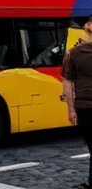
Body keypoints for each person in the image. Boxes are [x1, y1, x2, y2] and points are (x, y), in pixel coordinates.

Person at [63, 15, 92, 189]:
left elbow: (67, 82)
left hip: (84, 108)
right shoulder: (74, 54)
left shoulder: (73, 53)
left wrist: (71, 109)